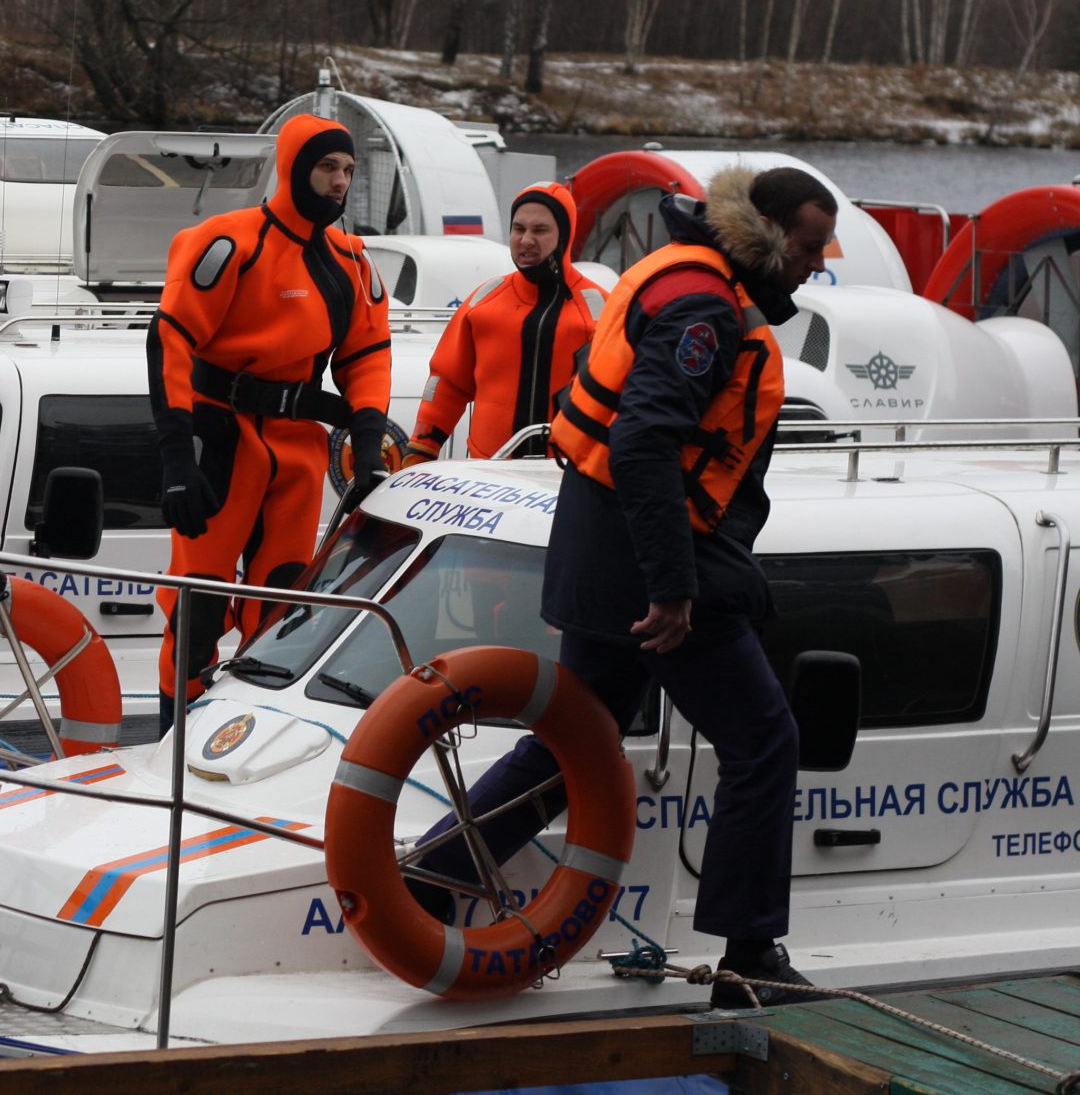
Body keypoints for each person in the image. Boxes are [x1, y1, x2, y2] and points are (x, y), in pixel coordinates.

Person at [410, 165, 836, 1009]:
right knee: (764, 738)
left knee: (579, 733)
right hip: (655, 559)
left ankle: (433, 874)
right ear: (769, 231)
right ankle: (750, 957)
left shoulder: (677, 268)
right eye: (810, 245)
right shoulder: (705, 310)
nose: (815, 264)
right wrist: (674, 586)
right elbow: (643, 442)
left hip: (598, 543)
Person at [147, 113, 393, 732]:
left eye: (347, 171)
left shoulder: (352, 261)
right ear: (294, 169)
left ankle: (247, 748)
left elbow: (367, 356)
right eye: (326, 167)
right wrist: (176, 455)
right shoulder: (228, 242)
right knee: (197, 609)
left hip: (298, 450)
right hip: (219, 441)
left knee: (281, 618)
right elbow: (170, 339)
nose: (339, 182)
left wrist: (367, 452)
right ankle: (169, 748)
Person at [402, 182, 609, 466]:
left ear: (565, 235)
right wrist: (422, 447)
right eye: (518, 229)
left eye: (540, 230)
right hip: (489, 478)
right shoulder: (485, 302)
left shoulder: (601, 310)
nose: (525, 240)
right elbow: (446, 383)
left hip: (565, 478)